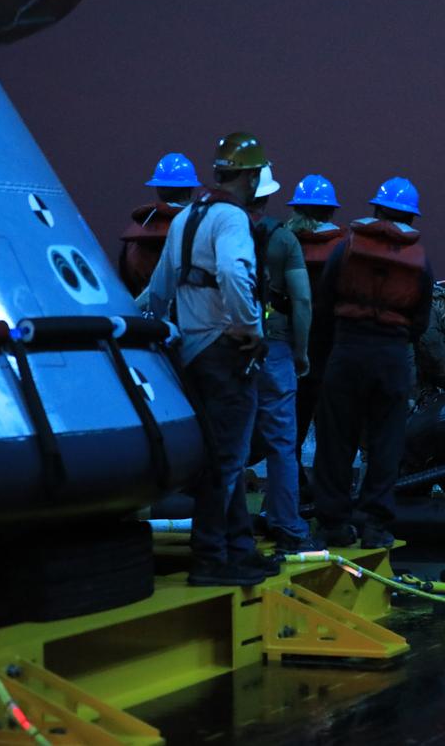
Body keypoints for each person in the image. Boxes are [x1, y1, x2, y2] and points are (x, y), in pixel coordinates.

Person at [146, 132, 273, 587]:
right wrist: (251, 329)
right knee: (228, 459)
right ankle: (210, 558)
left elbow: (158, 289)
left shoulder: (185, 219)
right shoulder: (232, 219)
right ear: (252, 176)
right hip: (225, 351)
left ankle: (238, 549)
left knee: (224, 457)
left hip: (191, 353)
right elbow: (234, 272)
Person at [311, 177, 433, 549]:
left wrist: (322, 357)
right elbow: (421, 321)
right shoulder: (420, 261)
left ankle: (332, 523)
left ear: (376, 210)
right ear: (411, 218)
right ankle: (375, 527)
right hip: (392, 356)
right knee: (386, 444)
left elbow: (324, 305)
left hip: (347, 351)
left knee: (335, 441)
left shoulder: (345, 249)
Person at [246, 167, 317, 553]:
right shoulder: (283, 240)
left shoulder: (217, 233)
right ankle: (286, 524)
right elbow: (302, 301)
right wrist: (301, 351)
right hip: (274, 349)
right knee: (281, 443)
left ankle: (226, 522)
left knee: (230, 442)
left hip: (228, 350)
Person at [284, 174, 344, 459]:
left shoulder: (281, 242)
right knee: (332, 427)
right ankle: (327, 492)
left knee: (289, 427)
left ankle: (288, 490)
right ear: (331, 210)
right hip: (332, 347)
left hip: (286, 346)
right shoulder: (345, 248)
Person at [120, 152, 200, 298]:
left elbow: (126, 277)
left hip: (143, 313)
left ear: (158, 188)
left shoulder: (139, 227)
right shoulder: (200, 224)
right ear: (190, 188)